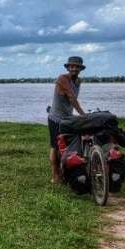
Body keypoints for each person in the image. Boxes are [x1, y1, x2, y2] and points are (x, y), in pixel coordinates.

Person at [48, 56, 86, 184]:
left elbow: (73, 100)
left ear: (80, 69)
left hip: (68, 118)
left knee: (67, 146)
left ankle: (65, 171)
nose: (74, 68)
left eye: (77, 66)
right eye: (72, 66)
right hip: (56, 118)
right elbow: (71, 98)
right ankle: (55, 175)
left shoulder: (79, 81)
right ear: (68, 68)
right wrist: (83, 114)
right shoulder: (62, 79)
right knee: (55, 146)